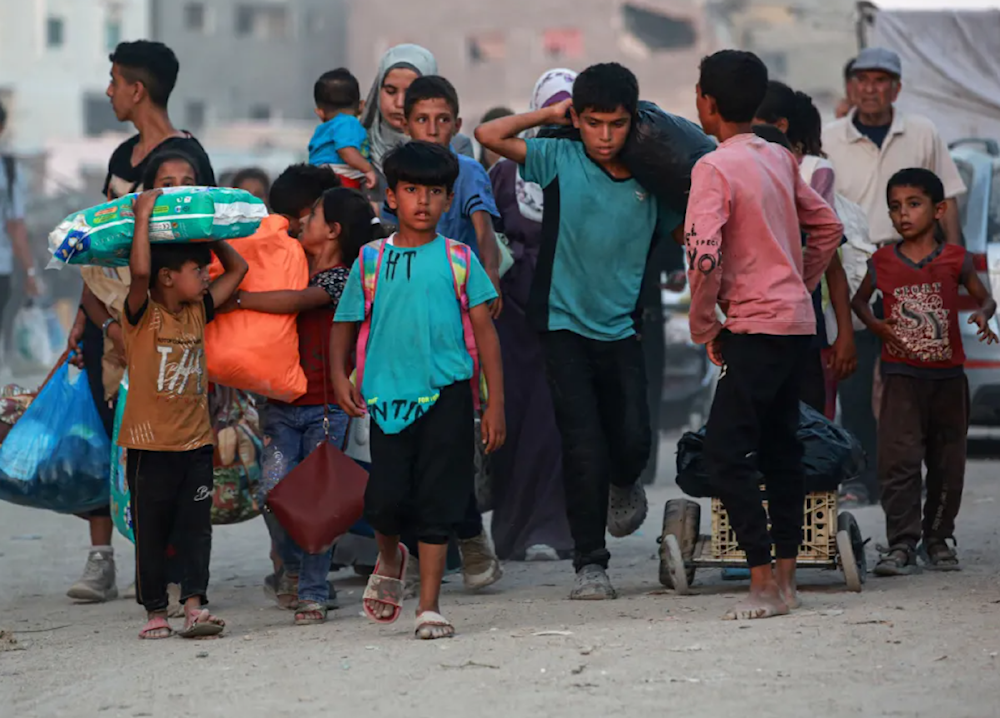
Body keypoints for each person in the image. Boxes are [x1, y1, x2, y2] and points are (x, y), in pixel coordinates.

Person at [476, 63, 682, 600]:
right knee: (582, 445)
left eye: (616, 124)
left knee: (633, 439)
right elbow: (488, 136)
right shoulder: (559, 157)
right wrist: (549, 115)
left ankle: (622, 483)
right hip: (562, 324)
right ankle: (591, 564)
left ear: (633, 122)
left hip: (622, 329)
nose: (605, 137)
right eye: (593, 123)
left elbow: (681, 223)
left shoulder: (650, 176)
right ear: (578, 120)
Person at [687, 50, 842, 620]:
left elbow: (704, 258)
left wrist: (707, 324)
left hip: (752, 326)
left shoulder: (714, 167)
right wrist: (797, 284)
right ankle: (785, 578)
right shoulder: (779, 157)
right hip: (795, 326)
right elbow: (827, 225)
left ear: (706, 102)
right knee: (781, 447)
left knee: (727, 451)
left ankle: (759, 582)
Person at [331, 141, 505, 639]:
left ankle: (429, 606)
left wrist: (495, 404)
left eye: (434, 192)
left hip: (448, 394)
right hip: (386, 400)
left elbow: (487, 336)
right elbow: (344, 323)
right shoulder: (368, 261)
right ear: (391, 197)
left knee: (438, 501)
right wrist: (342, 378)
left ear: (449, 201)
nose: (423, 201)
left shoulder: (460, 259)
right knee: (383, 501)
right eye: (411, 190)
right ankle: (390, 555)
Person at [64, 40, 217, 604]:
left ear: (138, 89)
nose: (108, 91)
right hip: (110, 321)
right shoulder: (121, 159)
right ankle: (104, 558)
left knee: (167, 450)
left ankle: (172, 573)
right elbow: (102, 250)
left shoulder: (187, 162)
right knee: (113, 439)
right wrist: (86, 315)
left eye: (113, 80)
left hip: (165, 334)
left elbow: (202, 251)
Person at [823, 47, 967, 507]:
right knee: (857, 379)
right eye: (862, 80)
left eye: (881, 80)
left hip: (916, 269)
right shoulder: (830, 139)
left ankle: (911, 478)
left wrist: (953, 266)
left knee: (916, 382)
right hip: (854, 271)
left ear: (897, 88)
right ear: (850, 87)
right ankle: (862, 477)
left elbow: (948, 204)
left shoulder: (921, 132)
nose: (871, 88)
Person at [227, 186, 374, 625]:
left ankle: (311, 591)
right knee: (271, 493)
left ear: (332, 231)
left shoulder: (342, 277)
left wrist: (240, 300)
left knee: (316, 501)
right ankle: (294, 571)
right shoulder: (291, 265)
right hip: (280, 404)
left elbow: (295, 302)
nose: (301, 222)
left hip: (324, 407)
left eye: (312, 217)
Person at [851, 168, 996, 576]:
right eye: (895, 207)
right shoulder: (882, 261)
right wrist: (876, 325)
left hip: (948, 380)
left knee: (948, 462)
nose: (903, 215)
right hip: (901, 378)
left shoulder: (956, 259)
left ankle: (937, 537)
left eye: (914, 205)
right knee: (899, 461)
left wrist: (984, 317)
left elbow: (985, 299)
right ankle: (900, 543)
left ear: (939, 209)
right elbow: (860, 302)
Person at [121, 173, 247, 639]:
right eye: (198, 269)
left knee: (196, 528)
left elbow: (238, 273)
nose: (207, 274)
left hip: (195, 443)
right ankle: (156, 610)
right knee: (152, 532)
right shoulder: (140, 314)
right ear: (168, 278)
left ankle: (194, 605)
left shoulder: (198, 309)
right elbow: (139, 274)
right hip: (150, 447)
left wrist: (211, 234)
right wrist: (142, 217)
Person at [486, 69, 575, 562]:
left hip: (566, 312)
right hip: (512, 318)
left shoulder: (587, 169)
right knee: (514, 424)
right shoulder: (505, 171)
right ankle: (512, 530)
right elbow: (489, 238)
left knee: (554, 422)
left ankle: (552, 528)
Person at [754, 80, 858, 417]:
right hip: (754, 333)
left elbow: (831, 259)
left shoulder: (813, 173)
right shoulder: (739, 172)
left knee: (806, 428)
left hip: (803, 331)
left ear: (779, 125)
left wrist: (844, 333)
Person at [361, 44, 474, 196]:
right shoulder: (355, 144)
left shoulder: (456, 146)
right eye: (390, 91)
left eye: (409, 92)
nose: (399, 103)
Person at [0, 100, 41, 345]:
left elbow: (16, 226)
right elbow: (16, 226)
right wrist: (30, 273)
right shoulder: (8, 169)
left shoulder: (10, 168)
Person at [309, 69, 376, 190]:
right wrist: (368, 169)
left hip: (318, 176)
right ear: (361, 106)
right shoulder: (348, 122)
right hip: (341, 177)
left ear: (320, 113)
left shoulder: (322, 129)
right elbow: (346, 150)